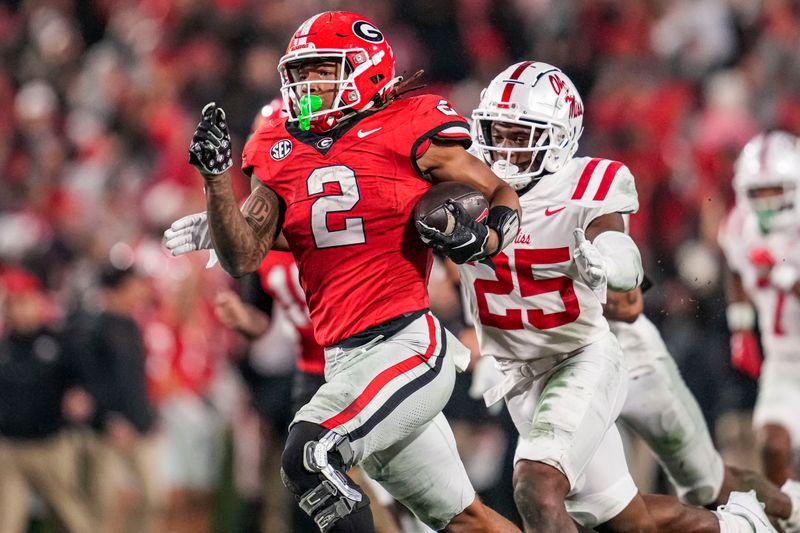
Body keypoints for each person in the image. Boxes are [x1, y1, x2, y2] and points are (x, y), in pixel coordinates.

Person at [173, 10, 521, 533]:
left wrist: (489, 236)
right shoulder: (278, 144)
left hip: (405, 343)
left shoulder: (409, 125)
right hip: (343, 358)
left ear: (367, 70)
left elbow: (497, 191)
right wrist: (217, 183)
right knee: (463, 521)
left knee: (310, 456)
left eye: (321, 70)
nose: (307, 85)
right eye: (301, 72)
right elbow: (244, 255)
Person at [454, 60, 777, 532]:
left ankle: (773, 507)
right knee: (627, 521)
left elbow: (620, 254)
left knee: (536, 486)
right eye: (496, 133)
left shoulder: (585, 185)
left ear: (559, 136)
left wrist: (606, 263)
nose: (503, 149)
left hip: (581, 358)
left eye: (518, 135)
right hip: (520, 373)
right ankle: (740, 526)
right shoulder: (463, 187)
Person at [605, 284, 800, 531]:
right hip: (567, 380)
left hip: (628, 363)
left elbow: (628, 299)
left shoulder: (594, 248)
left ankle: (783, 512)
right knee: (580, 501)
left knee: (708, 483)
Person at [719, 131, 800, 490]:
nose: (766, 202)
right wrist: (742, 329)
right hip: (784, 361)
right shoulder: (739, 225)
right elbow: (735, 269)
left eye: (775, 189)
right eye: (758, 191)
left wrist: (782, 274)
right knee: (772, 446)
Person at [0, 268, 93, 533]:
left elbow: (84, 379)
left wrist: (79, 394)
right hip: (10, 449)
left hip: (51, 446)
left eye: (25, 301)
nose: (20, 310)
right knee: (8, 523)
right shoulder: (5, 346)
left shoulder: (60, 341)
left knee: (74, 520)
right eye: (14, 304)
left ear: (39, 301)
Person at [73, 264, 162, 533]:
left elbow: (133, 380)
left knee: (153, 498)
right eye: (132, 287)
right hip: (106, 430)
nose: (139, 292)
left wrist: (145, 416)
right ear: (113, 291)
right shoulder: (93, 328)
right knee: (104, 505)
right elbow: (91, 382)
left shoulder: (132, 325)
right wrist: (109, 418)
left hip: (138, 423)